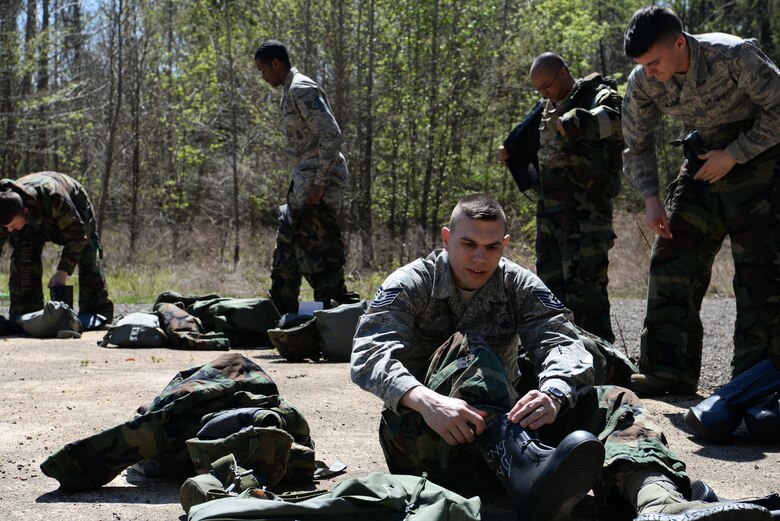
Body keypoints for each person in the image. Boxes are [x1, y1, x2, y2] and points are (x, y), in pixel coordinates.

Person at [350, 193, 770, 521]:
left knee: (614, 400)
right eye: (469, 244)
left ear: (506, 244)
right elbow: (368, 353)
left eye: (492, 246)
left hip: (522, 443)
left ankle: (658, 503)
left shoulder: (517, 283)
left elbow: (563, 342)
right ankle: (529, 473)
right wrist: (425, 399)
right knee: (469, 346)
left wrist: (553, 393)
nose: (480, 258)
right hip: (430, 439)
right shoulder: (412, 283)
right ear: (446, 239)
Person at [622, 5, 780, 395]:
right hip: (705, 158)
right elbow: (636, 144)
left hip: (761, 154)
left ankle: (755, 381)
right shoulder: (643, 80)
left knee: (759, 268)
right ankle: (667, 370)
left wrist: (736, 153)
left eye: (655, 61)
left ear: (680, 42)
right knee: (672, 253)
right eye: (643, 64)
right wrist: (652, 199)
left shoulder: (734, 54)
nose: (650, 71)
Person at [499, 53, 623, 343]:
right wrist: (511, 153)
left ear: (564, 73)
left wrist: (576, 121)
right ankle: (560, 358)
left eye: (547, 86)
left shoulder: (596, 95)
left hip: (585, 214)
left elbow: (619, 120)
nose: (544, 93)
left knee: (586, 291)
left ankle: (601, 361)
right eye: (538, 89)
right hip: (550, 214)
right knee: (550, 292)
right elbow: (526, 141)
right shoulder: (545, 108)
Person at [254, 39, 356, 316]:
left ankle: (332, 326)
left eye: (263, 69)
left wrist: (321, 182)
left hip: (318, 190)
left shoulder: (301, 88)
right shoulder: (290, 91)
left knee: (322, 260)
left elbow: (331, 135)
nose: (262, 76)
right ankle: (282, 322)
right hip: (302, 187)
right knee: (285, 255)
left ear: (277, 63)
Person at [0, 171, 113, 321]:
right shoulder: (5, 207)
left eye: (13, 225)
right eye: (6, 227)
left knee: (87, 252)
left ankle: (96, 311)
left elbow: (78, 236)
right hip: (30, 217)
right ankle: (26, 312)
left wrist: (63, 271)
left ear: (25, 211)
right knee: (23, 255)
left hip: (72, 203)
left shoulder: (54, 197)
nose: (9, 230)